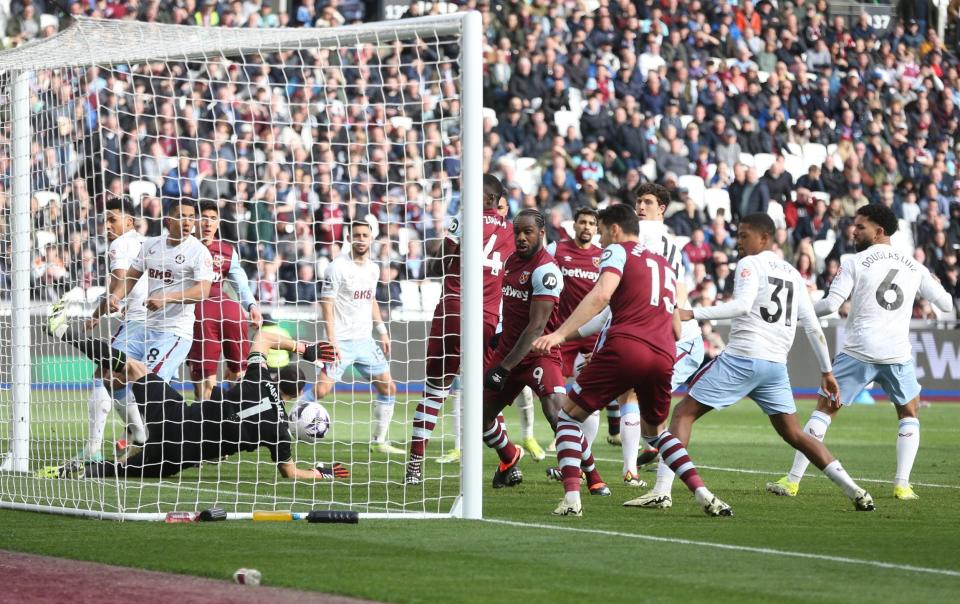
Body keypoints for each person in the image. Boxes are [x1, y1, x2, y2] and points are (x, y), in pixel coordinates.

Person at [631, 213, 875, 513]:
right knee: (795, 434)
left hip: (743, 358)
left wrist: (691, 313)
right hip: (774, 367)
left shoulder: (750, 264)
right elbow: (812, 325)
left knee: (682, 413)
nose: (739, 241)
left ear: (764, 238)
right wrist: (825, 370)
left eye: (745, 235)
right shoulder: (792, 273)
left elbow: (742, 306)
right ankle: (854, 489)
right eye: (738, 234)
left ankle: (662, 491)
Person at [532, 204, 726, 516]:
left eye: (603, 231)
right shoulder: (665, 265)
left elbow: (600, 295)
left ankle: (571, 499)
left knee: (568, 417)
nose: (600, 240)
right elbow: (677, 326)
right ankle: (703, 493)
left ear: (615, 229)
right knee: (657, 433)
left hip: (626, 347)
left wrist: (558, 334)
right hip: (664, 354)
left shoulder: (617, 252)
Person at [41, 300, 345, 481]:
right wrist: (320, 473)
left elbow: (262, 339)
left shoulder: (259, 378)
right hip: (181, 455)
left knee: (131, 368)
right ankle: (68, 472)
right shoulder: (279, 433)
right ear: (295, 400)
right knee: (120, 471)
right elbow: (289, 473)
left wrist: (303, 348)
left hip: (177, 416)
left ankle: (64, 332)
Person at [768, 204, 954, 500]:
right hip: (896, 352)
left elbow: (830, 306)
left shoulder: (855, 261)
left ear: (879, 231)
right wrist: (936, 284)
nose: (853, 231)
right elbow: (946, 305)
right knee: (909, 412)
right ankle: (902, 485)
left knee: (824, 411)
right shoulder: (914, 266)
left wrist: (796, 310)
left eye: (860, 226)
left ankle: (792, 481)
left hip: (859, 350)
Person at [482, 209, 609, 496]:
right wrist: (501, 334)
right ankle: (509, 456)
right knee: (480, 417)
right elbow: (510, 307)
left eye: (527, 232)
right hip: (509, 351)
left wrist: (503, 368)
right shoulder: (511, 262)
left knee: (557, 415)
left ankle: (593, 475)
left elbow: (537, 327)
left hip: (539, 353)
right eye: (517, 232)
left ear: (541, 233)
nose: (520, 238)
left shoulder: (546, 270)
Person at [406, 174, 513, 483]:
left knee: (435, 390)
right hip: (486, 317)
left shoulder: (464, 218)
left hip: (452, 309)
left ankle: (414, 468)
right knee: (484, 394)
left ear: (488, 199)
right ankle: (508, 457)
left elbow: (442, 259)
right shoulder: (513, 230)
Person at [99, 199, 215, 457]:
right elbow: (131, 275)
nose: (187, 222)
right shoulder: (150, 245)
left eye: (190, 217)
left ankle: (171, 443)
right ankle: (137, 431)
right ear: (168, 220)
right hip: (144, 325)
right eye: (180, 216)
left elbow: (203, 290)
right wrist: (117, 296)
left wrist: (166, 298)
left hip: (174, 332)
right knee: (109, 374)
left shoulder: (198, 252)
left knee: (147, 387)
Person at [623, 183, 706, 487]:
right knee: (630, 394)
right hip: (659, 332)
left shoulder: (643, 235)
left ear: (661, 209)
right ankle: (644, 455)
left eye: (647, 202)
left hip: (679, 339)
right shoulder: (671, 243)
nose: (640, 207)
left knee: (644, 400)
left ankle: (655, 473)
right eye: (638, 201)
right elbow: (679, 287)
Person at [316, 220, 401, 455]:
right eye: (357, 235)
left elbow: (371, 300)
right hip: (340, 340)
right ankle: (294, 422)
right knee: (321, 391)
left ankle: (379, 441)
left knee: (389, 387)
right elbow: (327, 305)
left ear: (371, 238)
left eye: (365, 235)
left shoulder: (373, 269)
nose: (361, 239)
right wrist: (331, 341)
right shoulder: (337, 268)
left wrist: (382, 331)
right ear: (349, 238)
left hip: (364, 340)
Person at [80, 197, 150, 463]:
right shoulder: (148, 243)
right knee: (132, 381)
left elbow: (119, 280)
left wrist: (99, 312)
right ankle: (138, 435)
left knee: (104, 374)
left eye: (113, 219)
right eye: (105, 220)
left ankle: (94, 449)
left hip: (137, 320)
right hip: (162, 323)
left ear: (129, 221)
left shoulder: (120, 244)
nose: (107, 225)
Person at [188, 200, 263, 401]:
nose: (207, 223)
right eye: (203, 218)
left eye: (213, 219)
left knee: (226, 376)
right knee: (223, 376)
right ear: (194, 220)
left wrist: (252, 306)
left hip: (212, 314)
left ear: (218, 223)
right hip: (195, 311)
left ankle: (215, 420)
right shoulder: (184, 247)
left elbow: (241, 283)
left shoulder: (227, 251)